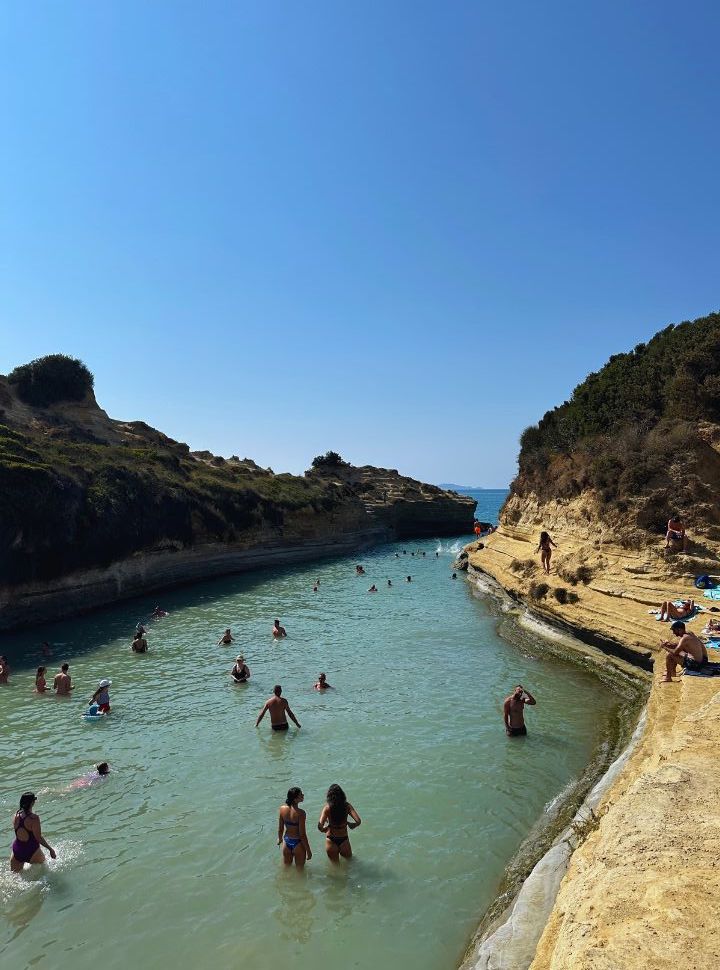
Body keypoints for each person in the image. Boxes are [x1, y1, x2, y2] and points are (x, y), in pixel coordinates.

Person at [10, 792, 56, 872]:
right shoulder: (34, 818)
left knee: (14, 876)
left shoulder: (15, 816)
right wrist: (50, 849)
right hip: (32, 850)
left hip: (17, 849)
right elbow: (38, 838)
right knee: (45, 870)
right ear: (32, 803)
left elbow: (19, 833)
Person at [318, 784, 361, 861]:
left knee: (335, 868)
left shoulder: (327, 808)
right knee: (349, 865)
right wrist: (351, 825)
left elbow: (320, 826)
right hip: (344, 840)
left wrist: (325, 829)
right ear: (342, 794)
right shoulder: (347, 806)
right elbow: (358, 821)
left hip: (331, 840)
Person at [278, 787, 312, 867]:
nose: (303, 795)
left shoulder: (282, 809)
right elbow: (302, 834)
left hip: (286, 842)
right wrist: (308, 851)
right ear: (295, 799)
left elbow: (280, 829)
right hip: (298, 843)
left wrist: (279, 839)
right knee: (300, 872)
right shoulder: (301, 813)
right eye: (301, 794)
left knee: (286, 869)